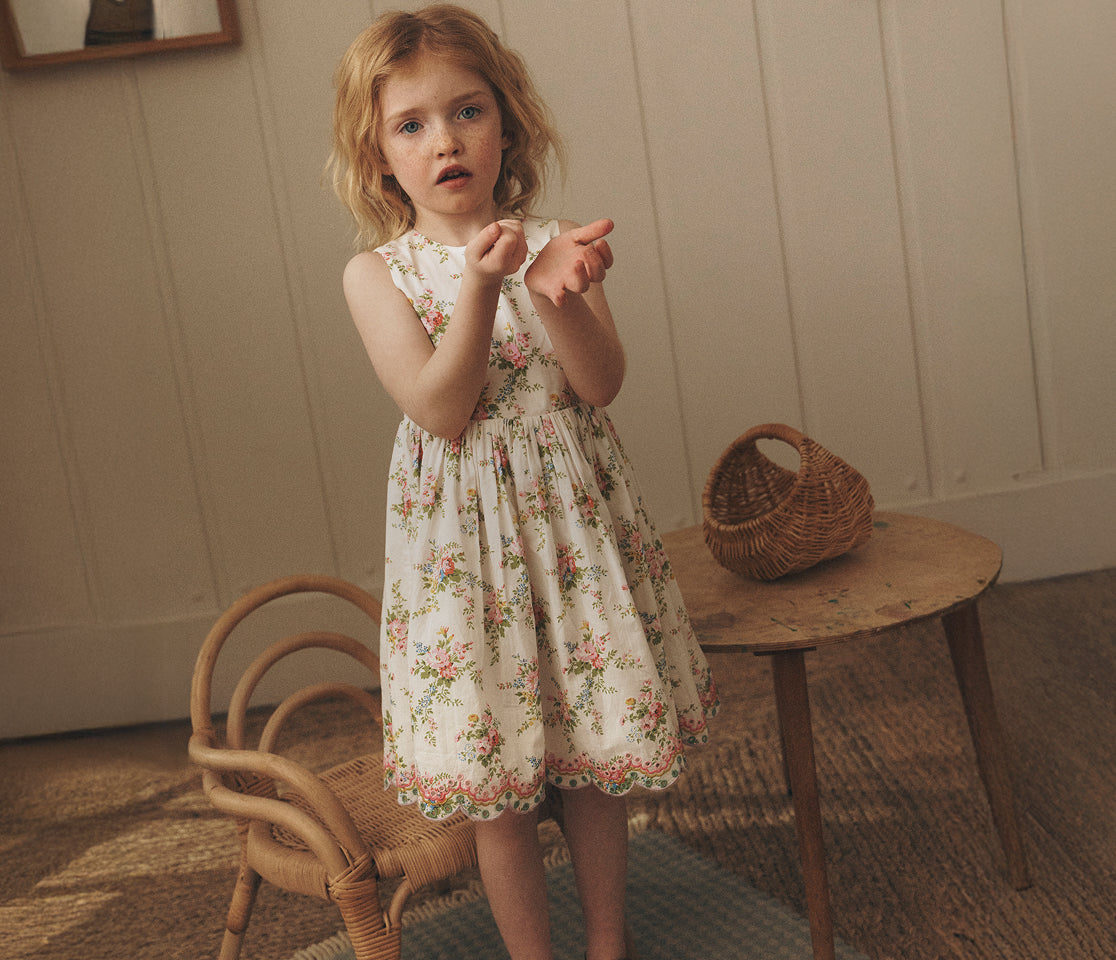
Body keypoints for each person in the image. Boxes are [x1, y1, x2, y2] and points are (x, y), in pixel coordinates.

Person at [328, 7, 718, 959]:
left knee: (586, 762)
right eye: (412, 125)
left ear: (507, 123)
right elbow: (442, 408)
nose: (445, 140)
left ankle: (607, 944)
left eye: (467, 111)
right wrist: (485, 285)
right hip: (468, 566)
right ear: (380, 157)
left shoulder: (553, 240)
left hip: (571, 541)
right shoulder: (378, 274)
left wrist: (561, 291)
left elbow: (600, 384)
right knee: (498, 783)